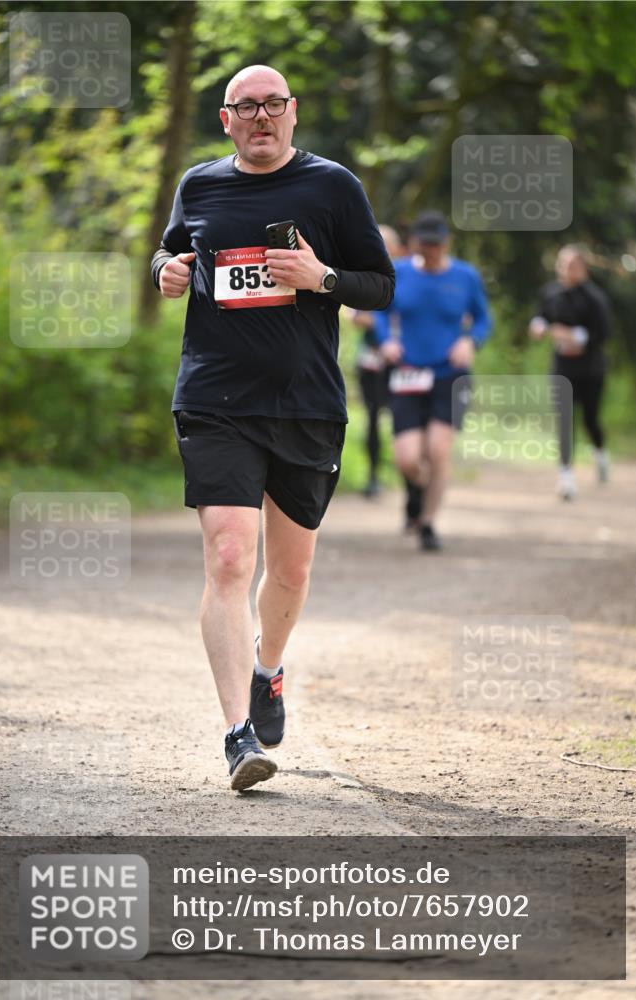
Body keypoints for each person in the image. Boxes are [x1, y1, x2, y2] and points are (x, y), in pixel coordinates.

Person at [151, 65, 394, 791]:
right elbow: (171, 249)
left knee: (289, 572)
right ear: (226, 119)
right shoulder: (198, 185)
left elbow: (380, 286)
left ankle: (268, 669)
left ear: (293, 113)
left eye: (273, 105)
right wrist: (164, 269)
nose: (261, 117)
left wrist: (321, 278)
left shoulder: (333, 187)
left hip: (306, 406)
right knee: (229, 558)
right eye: (245, 107)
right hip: (214, 400)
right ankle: (237, 736)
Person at [374, 210, 491, 551]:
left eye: (437, 245)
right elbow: (381, 312)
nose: (431, 251)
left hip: (449, 374)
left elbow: (483, 319)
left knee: (438, 450)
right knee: (408, 458)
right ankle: (417, 489)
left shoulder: (465, 276)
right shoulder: (400, 273)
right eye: (425, 245)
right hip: (408, 372)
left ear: (446, 244)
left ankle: (427, 522)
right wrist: (387, 341)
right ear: (414, 245)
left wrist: (470, 340)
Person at [529, 245, 611, 500]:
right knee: (564, 421)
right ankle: (566, 477)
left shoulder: (594, 298)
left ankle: (600, 454)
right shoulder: (551, 292)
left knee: (589, 419)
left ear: (582, 268)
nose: (566, 270)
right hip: (562, 368)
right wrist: (539, 327)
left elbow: (604, 333)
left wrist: (574, 336)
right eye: (562, 265)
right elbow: (540, 317)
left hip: (590, 369)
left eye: (571, 265)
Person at [349, 225, 404, 498]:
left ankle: (407, 475)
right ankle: (373, 475)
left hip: (406, 361)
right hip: (371, 358)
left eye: (387, 244)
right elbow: (355, 316)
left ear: (398, 249)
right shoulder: (365, 273)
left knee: (403, 418)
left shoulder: (409, 275)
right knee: (372, 418)